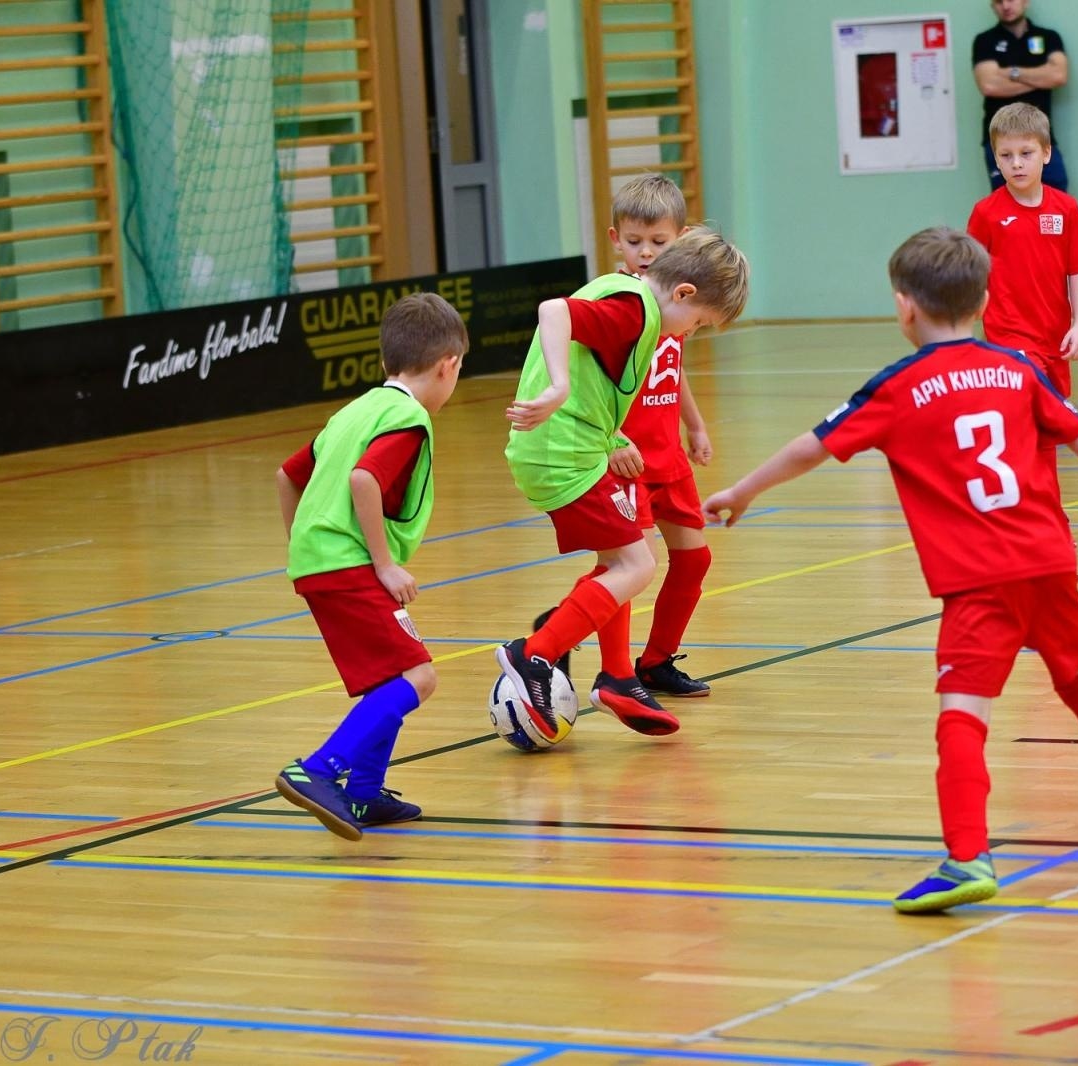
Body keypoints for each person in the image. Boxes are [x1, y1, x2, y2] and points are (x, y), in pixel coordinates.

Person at [703, 227, 1078, 915]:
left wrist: (742, 491)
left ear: (904, 307)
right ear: (985, 299)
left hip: (978, 583)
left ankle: (967, 859)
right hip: (1049, 565)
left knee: (963, 714)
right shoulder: (1020, 369)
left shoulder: (898, 387)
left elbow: (812, 449)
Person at [497, 227, 750, 739]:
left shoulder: (641, 309)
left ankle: (615, 675)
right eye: (698, 322)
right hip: (563, 453)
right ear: (683, 294)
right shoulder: (636, 308)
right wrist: (558, 385)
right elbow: (554, 311)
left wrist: (611, 431)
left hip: (575, 448)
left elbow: (599, 382)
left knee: (624, 562)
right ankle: (535, 653)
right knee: (635, 564)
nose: (690, 334)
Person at [273, 292, 467, 841]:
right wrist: (383, 564)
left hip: (322, 563)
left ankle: (360, 794)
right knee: (417, 676)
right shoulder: (407, 416)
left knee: (389, 676)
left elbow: (287, 476)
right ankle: (318, 770)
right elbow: (364, 481)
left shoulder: (354, 410)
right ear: (447, 366)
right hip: (353, 563)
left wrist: (304, 548)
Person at [602, 176, 718, 698]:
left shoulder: (673, 299)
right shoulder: (619, 303)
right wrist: (609, 439)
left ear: (683, 237)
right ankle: (616, 672)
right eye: (634, 241)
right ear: (615, 239)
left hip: (667, 456)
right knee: (625, 569)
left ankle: (656, 661)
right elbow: (592, 387)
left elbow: (672, 366)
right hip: (624, 462)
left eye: (658, 241)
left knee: (694, 558)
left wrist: (693, 424)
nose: (645, 252)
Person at [967, 102, 1078, 398]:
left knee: (1050, 428)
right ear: (996, 160)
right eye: (1006, 155)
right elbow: (970, 271)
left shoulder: (1067, 209)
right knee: (1028, 406)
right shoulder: (986, 213)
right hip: (1009, 337)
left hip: (1055, 339)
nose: (1016, 163)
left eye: (1026, 153)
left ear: (1046, 153)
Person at [971, 0, 1070, 192]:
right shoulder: (985, 41)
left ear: (1025, 2)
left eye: (1011, 0)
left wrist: (1012, 73)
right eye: (999, 2)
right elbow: (989, 85)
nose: (1006, 6)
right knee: (1008, 206)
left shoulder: (1048, 37)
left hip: (1040, 137)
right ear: (992, 6)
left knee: (1055, 199)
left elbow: (1058, 75)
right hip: (1001, 139)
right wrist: (1039, 77)